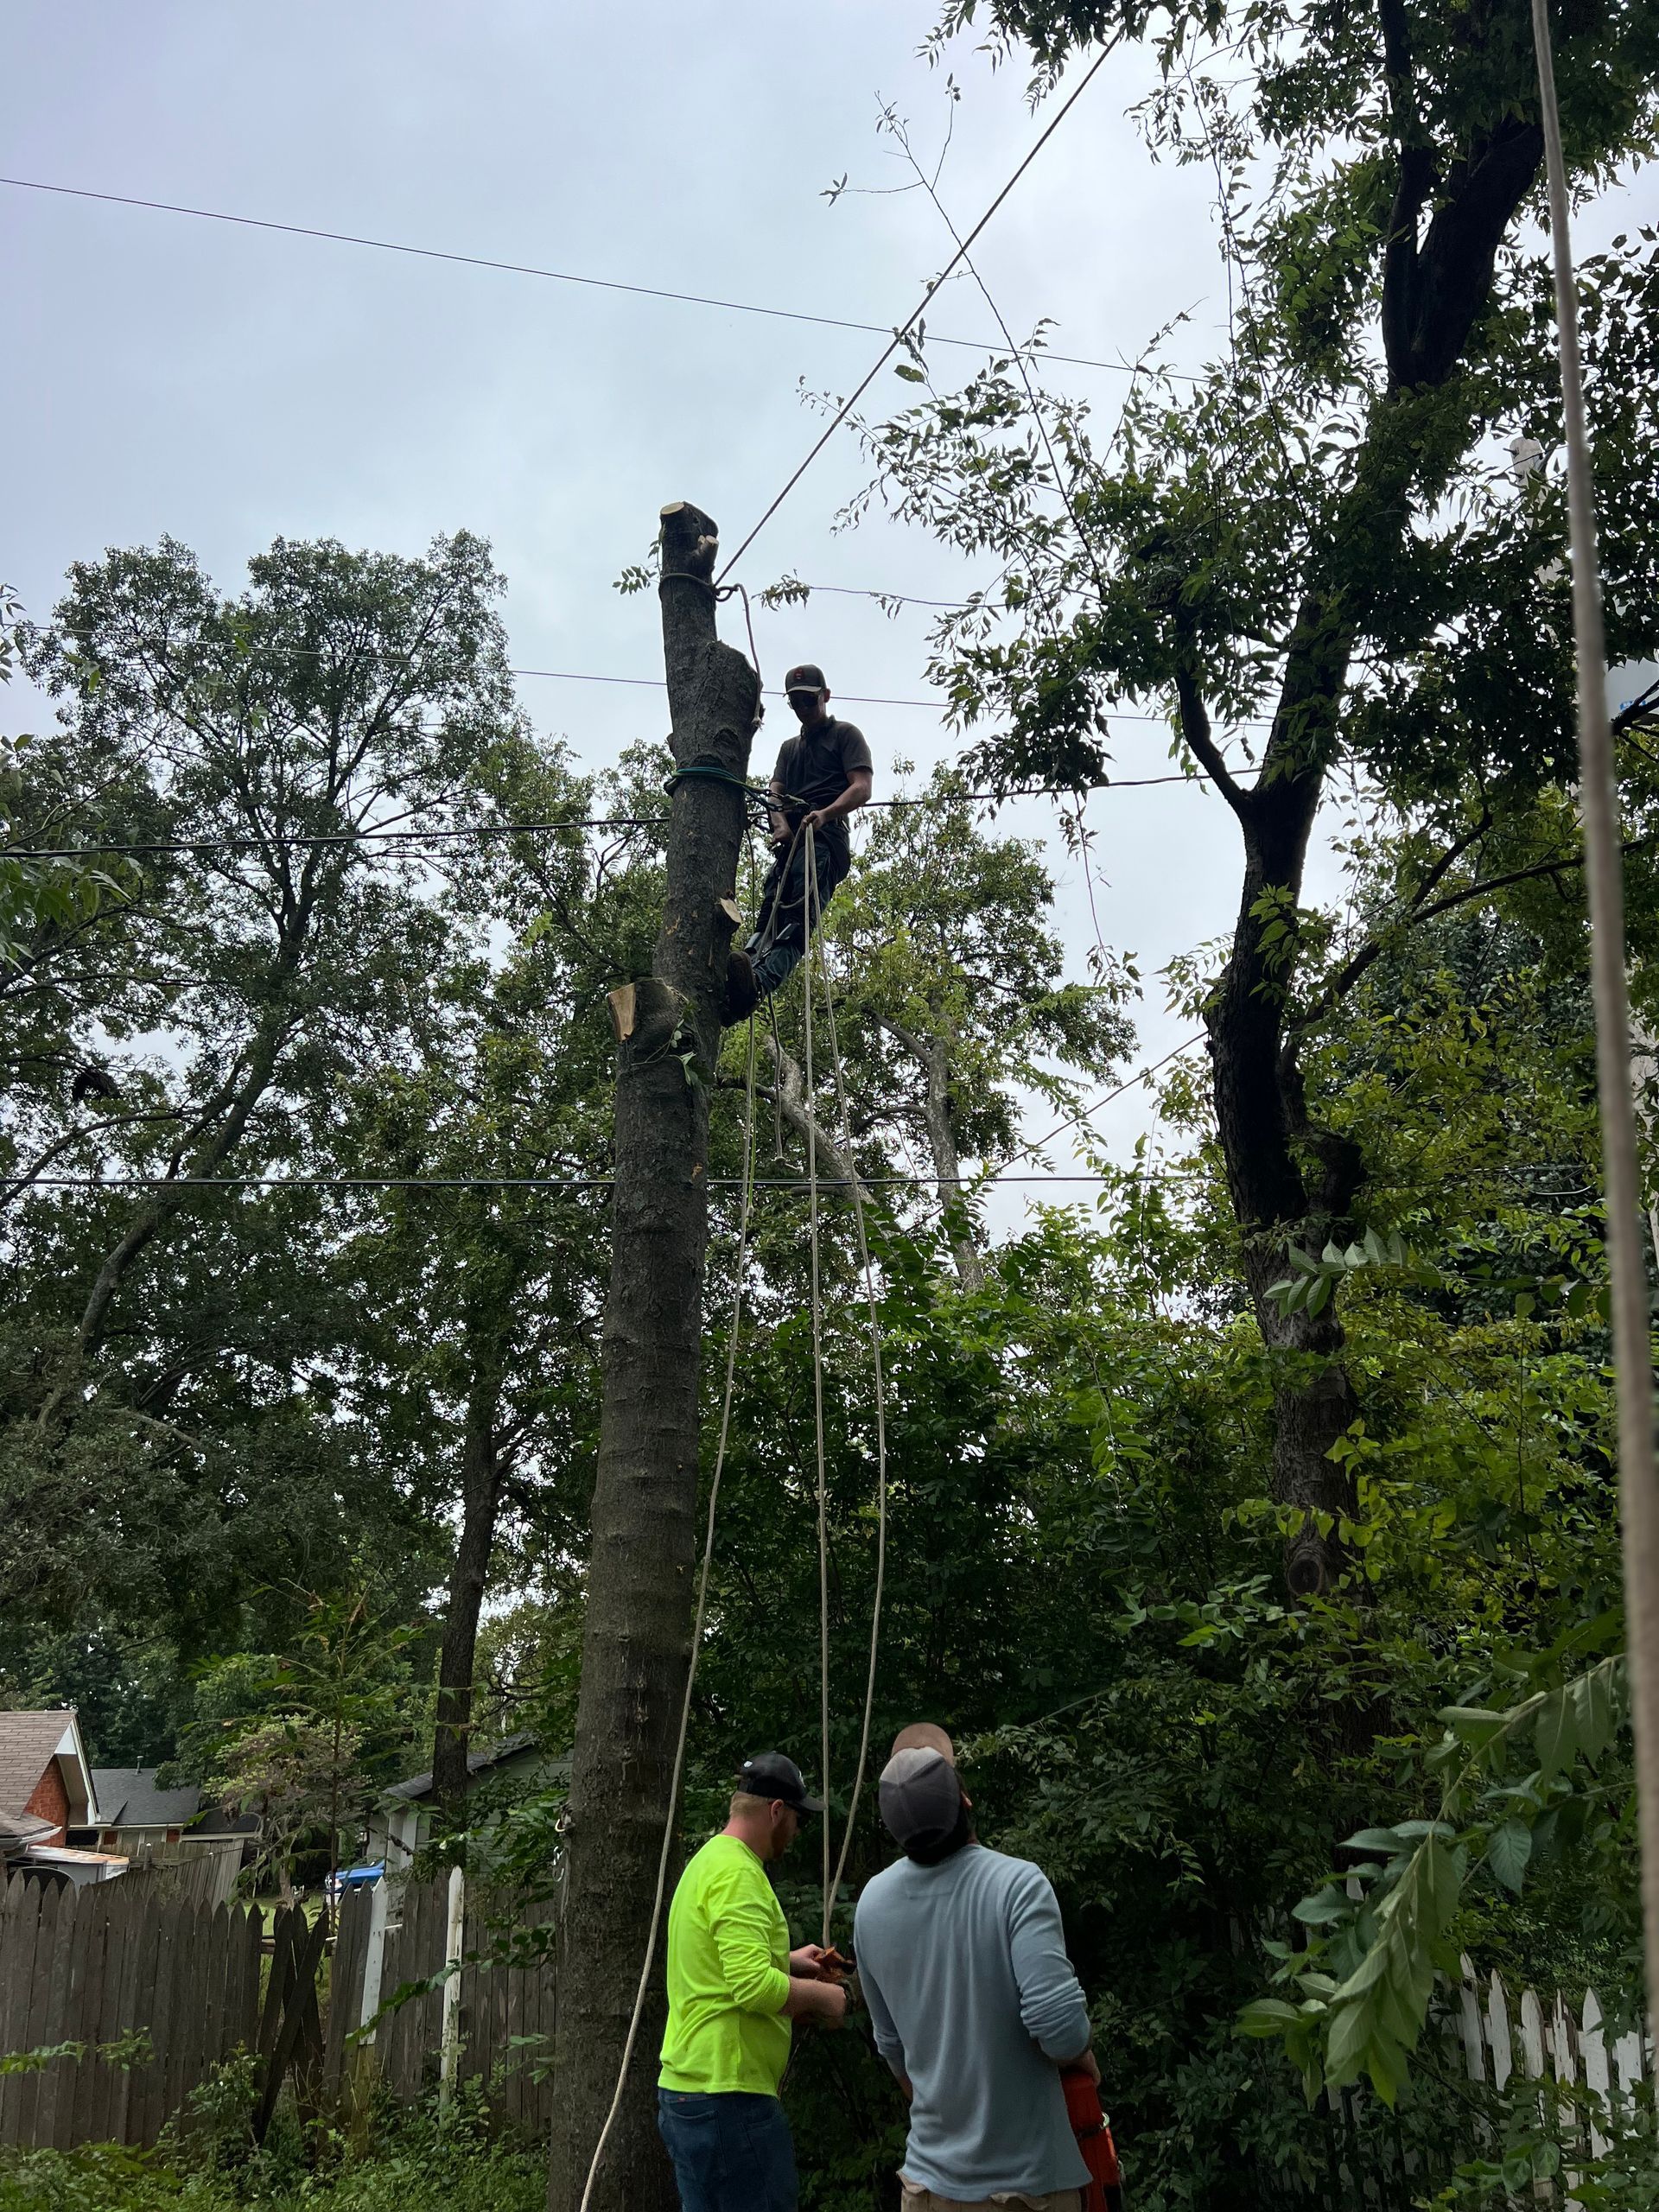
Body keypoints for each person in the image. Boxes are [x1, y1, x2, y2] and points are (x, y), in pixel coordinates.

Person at [853, 1724, 1097, 2212]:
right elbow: (1062, 2034)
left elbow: (892, 2049)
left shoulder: (871, 1905)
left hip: (925, 2187)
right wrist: (1079, 2055)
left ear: (894, 1829)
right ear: (964, 1800)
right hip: (1025, 2192)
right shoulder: (1017, 1886)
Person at [658, 1751, 849, 2211]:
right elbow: (753, 1987)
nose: (799, 1831)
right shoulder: (738, 1873)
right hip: (729, 2099)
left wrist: (789, 1961)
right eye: (798, 1818)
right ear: (776, 1810)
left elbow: (718, 1967)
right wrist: (830, 1997)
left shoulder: (709, 1860)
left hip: (689, 2092)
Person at [728, 664, 873, 1012]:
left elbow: (862, 788)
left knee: (795, 925)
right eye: (796, 704)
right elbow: (774, 792)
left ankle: (759, 983)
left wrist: (824, 815)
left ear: (825, 696)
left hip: (823, 844)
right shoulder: (789, 749)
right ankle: (740, 978)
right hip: (791, 847)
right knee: (768, 918)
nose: (804, 709)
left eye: (809, 701)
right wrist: (779, 823)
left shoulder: (845, 735)